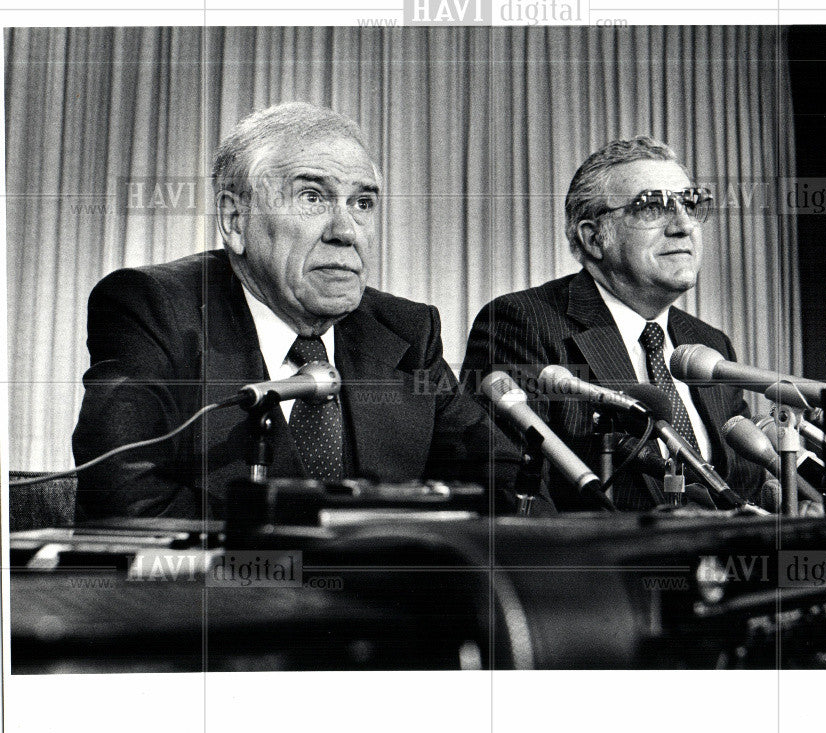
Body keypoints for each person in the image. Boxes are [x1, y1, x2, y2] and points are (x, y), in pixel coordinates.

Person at [72, 102, 522, 520]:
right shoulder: (154, 309)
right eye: (312, 198)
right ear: (235, 220)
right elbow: (126, 508)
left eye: (362, 204)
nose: (346, 231)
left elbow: (502, 485)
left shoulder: (406, 330)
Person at [462, 136, 767, 511]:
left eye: (689, 204)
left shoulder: (708, 345)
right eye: (653, 207)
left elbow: (745, 487)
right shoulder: (523, 324)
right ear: (593, 238)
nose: (684, 226)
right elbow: (516, 496)